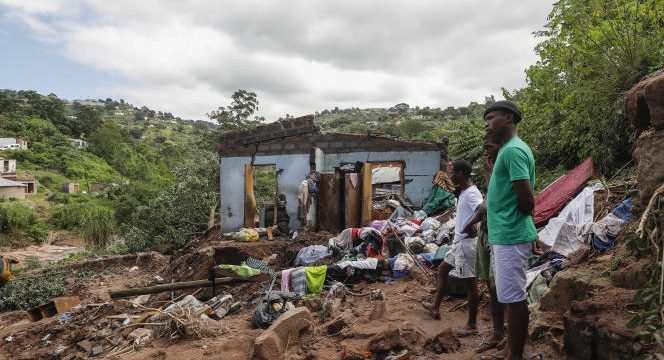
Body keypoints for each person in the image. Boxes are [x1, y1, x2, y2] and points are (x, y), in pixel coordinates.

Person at [483, 100, 537, 360]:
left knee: (514, 299)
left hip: (511, 235)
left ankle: (516, 356)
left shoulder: (513, 151)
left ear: (508, 117)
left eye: (491, 117)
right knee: (508, 295)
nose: (486, 124)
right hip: (505, 235)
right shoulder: (507, 150)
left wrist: (521, 226)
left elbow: (526, 198)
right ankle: (510, 349)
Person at [423, 160, 483, 336]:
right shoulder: (464, 191)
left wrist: (473, 225)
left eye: (453, 173)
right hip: (459, 243)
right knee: (442, 270)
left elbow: (483, 209)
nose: (450, 176)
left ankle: (472, 324)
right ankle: (435, 308)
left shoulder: (472, 193)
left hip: (466, 245)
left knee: (470, 284)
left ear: (461, 174)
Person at [463, 136, 505, 354]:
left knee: (500, 287)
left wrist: (471, 222)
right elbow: (491, 197)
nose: (485, 148)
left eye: (490, 143)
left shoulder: (508, 163)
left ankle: (506, 336)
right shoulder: (494, 169)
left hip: (500, 235)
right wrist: (488, 173)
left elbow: (490, 203)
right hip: (488, 232)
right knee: (491, 285)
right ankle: (498, 332)